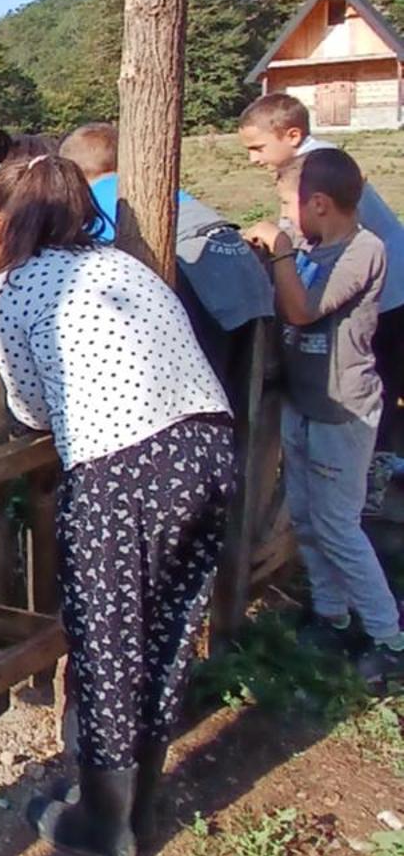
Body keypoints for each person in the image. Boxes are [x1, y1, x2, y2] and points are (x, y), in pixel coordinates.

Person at [0, 153, 235, 856]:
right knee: (168, 625)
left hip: (123, 467)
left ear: (3, 219)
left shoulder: (8, 291)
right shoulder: (124, 266)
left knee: (108, 639)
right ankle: (138, 799)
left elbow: (32, 409)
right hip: (210, 445)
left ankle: (104, 822)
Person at [244, 148, 404, 689]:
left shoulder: (363, 251)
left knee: (340, 527)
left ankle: (388, 636)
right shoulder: (313, 248)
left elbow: (303, 311)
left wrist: (283, 253)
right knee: (309, 521)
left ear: (319, 203)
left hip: (342, 411)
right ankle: (331, 616)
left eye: (288, 207)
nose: (284, 218)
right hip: (303, 403)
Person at [238, 92, 404, 452]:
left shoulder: (316, 170)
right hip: (371, 282)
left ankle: (377, 466)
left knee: (377, 377)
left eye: (259, 148)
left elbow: (293, 233)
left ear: (292, 136)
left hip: (389, 292)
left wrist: (269, 242)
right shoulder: (309, 167)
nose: (253, 159)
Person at [59, 121, 273, 377]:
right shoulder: (157, 190)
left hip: (196, 280)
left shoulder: (98, 200)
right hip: (242, 270)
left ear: (75, 175)